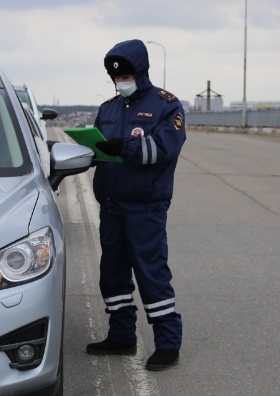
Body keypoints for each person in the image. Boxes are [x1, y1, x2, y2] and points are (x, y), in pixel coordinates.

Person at [85, 39, 186, 371]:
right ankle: (121, 336)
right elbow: (100, 148)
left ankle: (168, 343)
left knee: (151, 274)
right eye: (116, 77)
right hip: (112, 206)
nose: (121, 81)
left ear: (140, 72)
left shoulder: (166, 105)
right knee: (112, 275)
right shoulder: (108, 108)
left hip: (146, 207)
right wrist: (85, 152)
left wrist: (126, 147)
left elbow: (165, 148)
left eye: (126, 75)